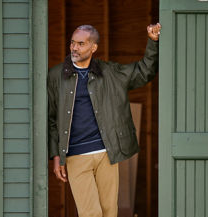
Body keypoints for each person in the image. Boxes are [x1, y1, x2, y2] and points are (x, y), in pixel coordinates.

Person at [47, 23, 160, 217]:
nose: (74, 48)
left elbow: (143, 71)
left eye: (81, 44)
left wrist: (153, 41)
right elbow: (51, 118)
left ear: (93, 48)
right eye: (72, 43)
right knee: (90, 213)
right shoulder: (56, 75)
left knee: (109, 212)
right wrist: (56, 155)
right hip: (76, 156)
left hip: (106, 153)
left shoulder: (110, 72)